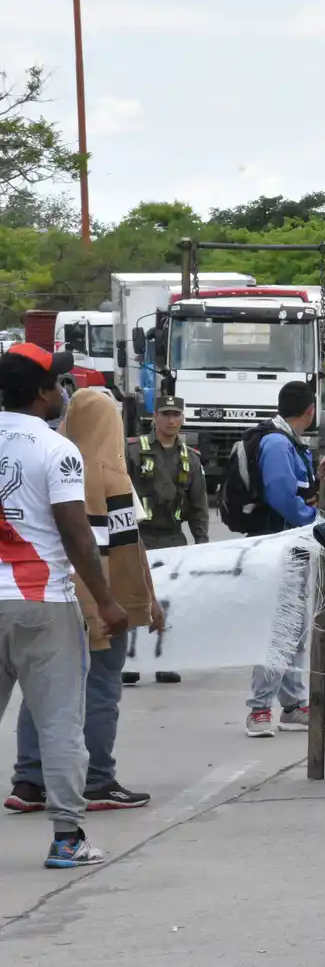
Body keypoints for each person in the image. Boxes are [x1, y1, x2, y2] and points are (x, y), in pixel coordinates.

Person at [0, 343, 126, 868]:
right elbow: (77, 533)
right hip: (43, 602)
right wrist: (107, 601)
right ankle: (67, 839)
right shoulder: (56, 449)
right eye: (56, 382)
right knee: (58, 723)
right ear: (38, 393)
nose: (62, 391)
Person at [9, 388, 161, 817]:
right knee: (100, 689)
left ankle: (29, 780)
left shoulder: (52, 462)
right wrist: (139, 603)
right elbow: (127, 550)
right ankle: (97, 780)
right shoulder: (112, 476)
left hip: (48, 593)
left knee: (41, 691)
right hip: (99, 599)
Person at [244, 381, 325, 738]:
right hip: (280, 547)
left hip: (289, 546)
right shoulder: (279, 444)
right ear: (310, 410)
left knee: (295, 628)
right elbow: (281, 495)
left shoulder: (287, 442)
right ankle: (259, 708)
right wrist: (314, 523)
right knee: (278, 628)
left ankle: (293, 705)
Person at [122, 394, 207, 686]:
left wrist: (202, 543)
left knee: (172, 602)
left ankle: (165, 662)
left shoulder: (191, 458)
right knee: (134, 599)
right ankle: (131, 663)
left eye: (176, 415)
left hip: (172, 537)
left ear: (182, 419)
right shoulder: (133, 451)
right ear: (154, 417)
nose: (171, 420)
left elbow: (198, 504)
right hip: (138, 536)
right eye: (166, 414)